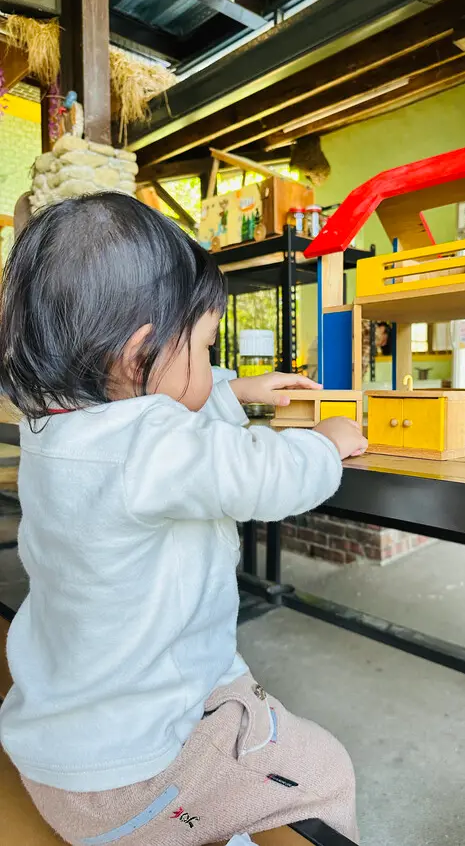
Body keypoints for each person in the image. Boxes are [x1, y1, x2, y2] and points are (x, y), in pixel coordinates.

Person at [0, 193, 366, 846]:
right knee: (323, 770)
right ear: (139, 355)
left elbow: (162, 418)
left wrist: (229, 389)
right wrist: (327, 442)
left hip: (58, 747)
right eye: (203, 344)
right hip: (129, 781)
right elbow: (262, 475)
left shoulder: (55, 425)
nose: (210, 361)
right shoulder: (151, 446)